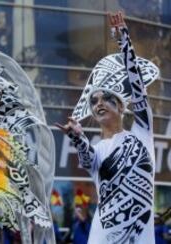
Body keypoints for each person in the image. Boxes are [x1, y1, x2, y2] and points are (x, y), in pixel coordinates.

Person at [56, 12, 158, 244]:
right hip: (104, 235)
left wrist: (124, 43)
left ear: (121, 106)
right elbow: (86, 157)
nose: (99, 103)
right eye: (94, 101)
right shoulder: (98, 149)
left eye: (105, 98)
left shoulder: (142, 133)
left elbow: (138, 86)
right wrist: (77, 137)